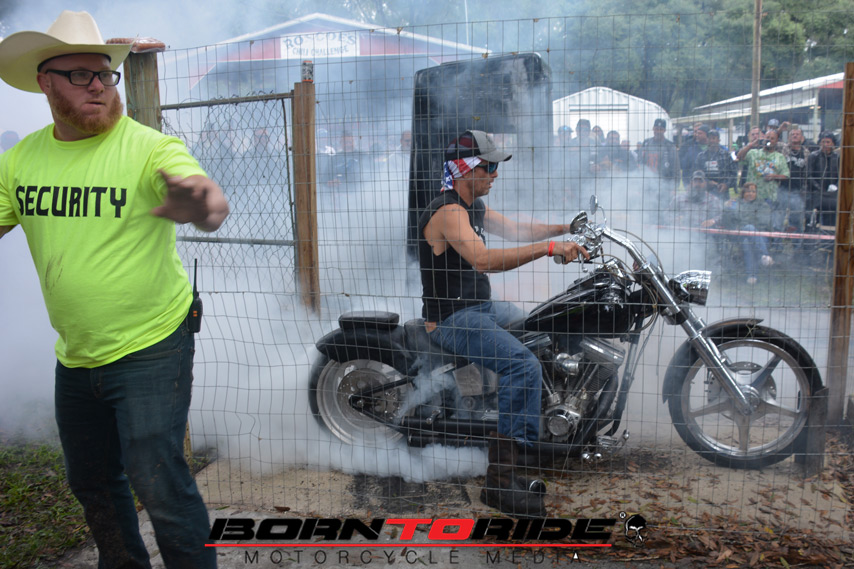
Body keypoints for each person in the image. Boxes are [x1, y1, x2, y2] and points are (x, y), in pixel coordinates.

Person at [0, 11, 229, 568]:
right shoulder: (19, 161)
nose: (99, 86)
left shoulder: (150, 148)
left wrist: (202, 204)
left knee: (158, 480)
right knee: (93, 482)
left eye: (105, 74)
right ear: (45, 82)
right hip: (77, 354)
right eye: (80, 75)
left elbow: (209, 200)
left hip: (152, 344)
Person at [419, 130, 587, 517]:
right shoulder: (448, 211)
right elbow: (483, 260)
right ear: (467, 170)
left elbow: (516, 230)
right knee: (522, 365)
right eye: (489, 167)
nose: (496, 174)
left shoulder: (472, 207)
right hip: (453, 318)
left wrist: (565, 229)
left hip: (482, 308)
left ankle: (544, 424)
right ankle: (500, 481)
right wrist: (549, 249)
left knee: (543, 331)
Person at [723, 182, 774, 285]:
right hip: (739, 235)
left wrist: (752, 228)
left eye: (753, 191)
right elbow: (727, 222)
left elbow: (765, 222)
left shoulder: (762, 205)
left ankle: (752, 275)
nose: (751, 194)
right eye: (748, 191)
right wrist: (726, 208)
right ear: (743, 192)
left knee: (748, 241)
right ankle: (764, 256)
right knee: (748, 229)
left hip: (760, 235)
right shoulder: (735, 204)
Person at [639, 118, 680, 207]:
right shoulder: (646, 143)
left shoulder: (670, 146)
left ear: (664, 130)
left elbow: (676, 168)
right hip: (648, 185)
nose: (658, 131)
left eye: (660, 129)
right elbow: (640, 163)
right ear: (653, 129)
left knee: (663, 208)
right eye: (656, 129)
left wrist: (674, 188)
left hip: (665, 184)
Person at [807, 131, 841, 227]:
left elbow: (841, 175)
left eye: (828, 142)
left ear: (833, 143)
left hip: (832, 194)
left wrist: (836, 186)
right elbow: (808, 175)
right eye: (823, 142)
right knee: (814, 220)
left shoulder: (838, 157)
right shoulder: (813, 156)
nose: (825, 144)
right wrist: (819, 188)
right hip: (816, 193)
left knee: (830, 219)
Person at [779, 127, 810, 232]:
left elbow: (807, 172)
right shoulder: (782, 149)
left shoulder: (806, 153)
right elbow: (771, 138)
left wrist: (805, 188)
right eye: (792, 134)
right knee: (778, 217)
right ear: (788, 137)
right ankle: (777, 240)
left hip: (798, 189)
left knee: (797, 218)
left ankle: (797, 240)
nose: (795, 136)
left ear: (802, 137)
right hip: (782, 188)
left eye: (797, 134)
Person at [693, 129, 735, 199]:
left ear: (718, 140)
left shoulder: (726, 155)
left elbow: (733, 173)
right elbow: (697, 174)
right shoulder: (701, 156)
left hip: (723, 193)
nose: (711, 140)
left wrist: (726, 185)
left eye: (714, 138)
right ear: (707, 140)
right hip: (705, 193)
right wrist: (707, 182)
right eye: (709, 138)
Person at [679, 123, 708, 187]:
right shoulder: (689, 148)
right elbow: (685, 169)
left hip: (711, 187)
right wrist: (687, 185)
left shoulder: (715, 148)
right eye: (695, 132)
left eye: (699, 133)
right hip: (694, 186)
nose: (697, 135)